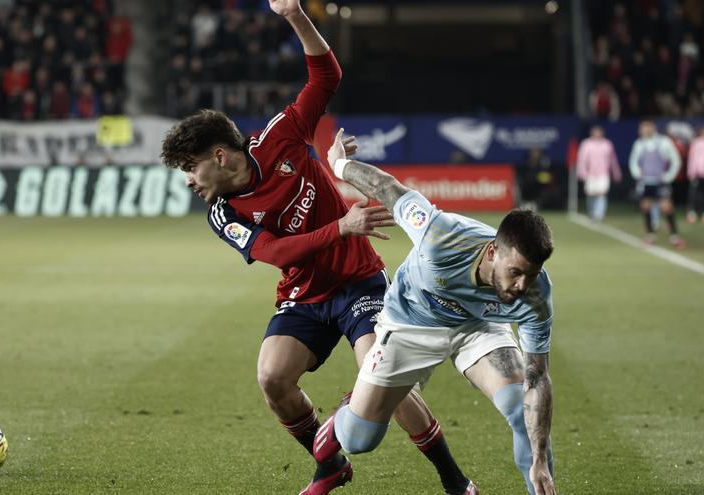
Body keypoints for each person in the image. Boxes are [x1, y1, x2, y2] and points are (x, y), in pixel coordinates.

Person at [160, 2, 476, 495]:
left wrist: (293, 15)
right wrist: (341, 226)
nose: (188, 182)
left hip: (359, 282)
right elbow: (279, 254)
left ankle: (455, 481)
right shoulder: (223, 212)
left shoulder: (280, 136)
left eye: (190, 168)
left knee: (384, 375)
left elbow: (326, 74)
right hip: (303, 294)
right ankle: (329, 465)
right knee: (272, 379)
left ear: (218, 156)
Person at [313, 128, 558, 495]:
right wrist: (339, 164)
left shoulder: (535, 293)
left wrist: (540, 456)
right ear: (493, 252)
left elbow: (537, 381)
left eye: (531, 275)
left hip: (478, 326)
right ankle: (343, 419)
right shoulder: (441, 236)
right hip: (412, 321)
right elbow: (387, 188)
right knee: (360, 440)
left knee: (519, 406)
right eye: (515, 273)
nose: (522, 286)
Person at [628, 119, 685, 248]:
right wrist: (637, 174)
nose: (642, 131)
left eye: (644, 128)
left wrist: (669, 176)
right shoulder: (639, 144)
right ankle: (650, 235)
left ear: (652, 128)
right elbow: (634, 161)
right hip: (646, 182)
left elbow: (676, 160)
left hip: (660, 182)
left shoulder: (664, 142)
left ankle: (674, 236)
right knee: (646, 206)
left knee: (666, 207)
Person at [576, 125, 622, 221]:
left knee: (602, 193)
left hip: (603, 174)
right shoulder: (586, 144)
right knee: (591, 193)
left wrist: (616, 172)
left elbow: (612, 160)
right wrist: (582, 172)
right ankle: (592, 211)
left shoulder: (607, 144)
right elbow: (582, 160)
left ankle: (599, 214)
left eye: (599, 132)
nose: (597, 134)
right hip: (590, 174)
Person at [686, 126, 704, 225]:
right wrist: (691, 172)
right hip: (698, 173)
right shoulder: (696, 143)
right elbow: (693, 158)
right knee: (695, 194)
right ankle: (692, 213)